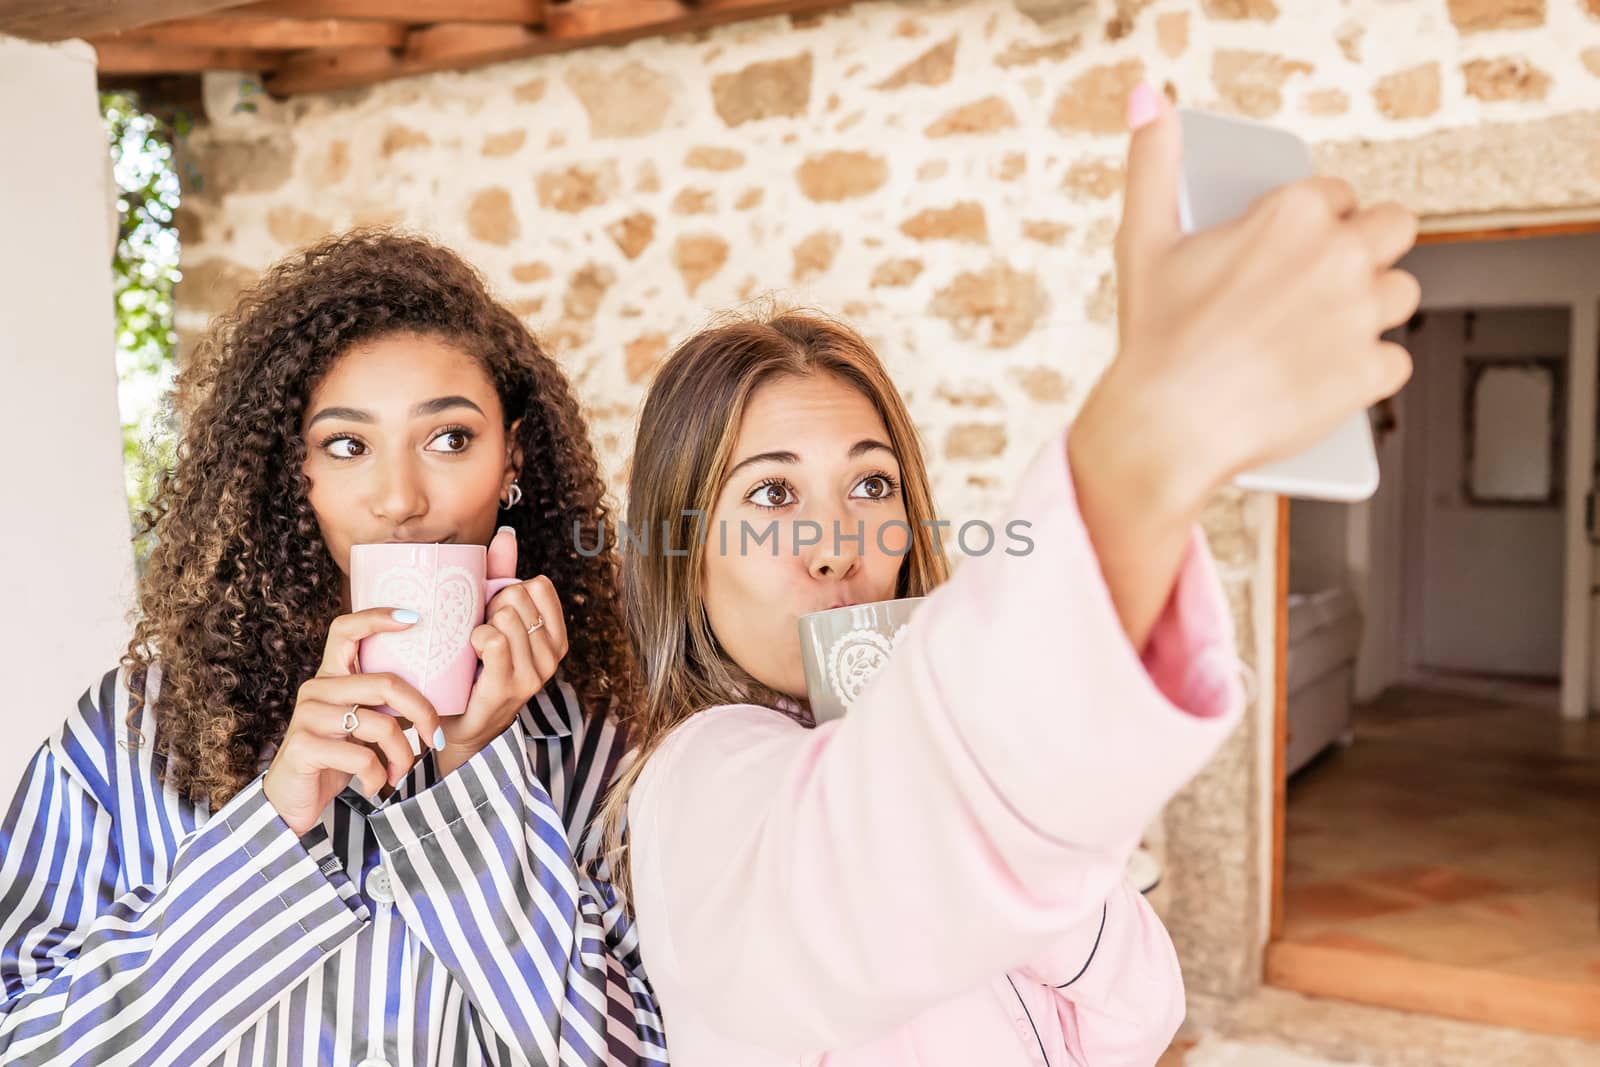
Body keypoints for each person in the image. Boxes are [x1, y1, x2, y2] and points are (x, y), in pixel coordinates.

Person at [596, 85, 1419, 1064]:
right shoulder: (696, 787)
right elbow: (871, 863)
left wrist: (1021, 867)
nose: (835, 542)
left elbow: (1142, 1010)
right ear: (683, 558)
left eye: (871, 483)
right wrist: (1145, 442)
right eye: (771, 498)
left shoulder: (937, 750)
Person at [0, 231, 667, 1067]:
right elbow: (26, 1046)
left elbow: (643, 1052)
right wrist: (273, 821)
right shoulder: (132, 735)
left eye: (450, 439)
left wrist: (473, 778)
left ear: (514, 457)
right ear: (295, 473)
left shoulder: (606, 748)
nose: (400, 498)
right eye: (347, 445)